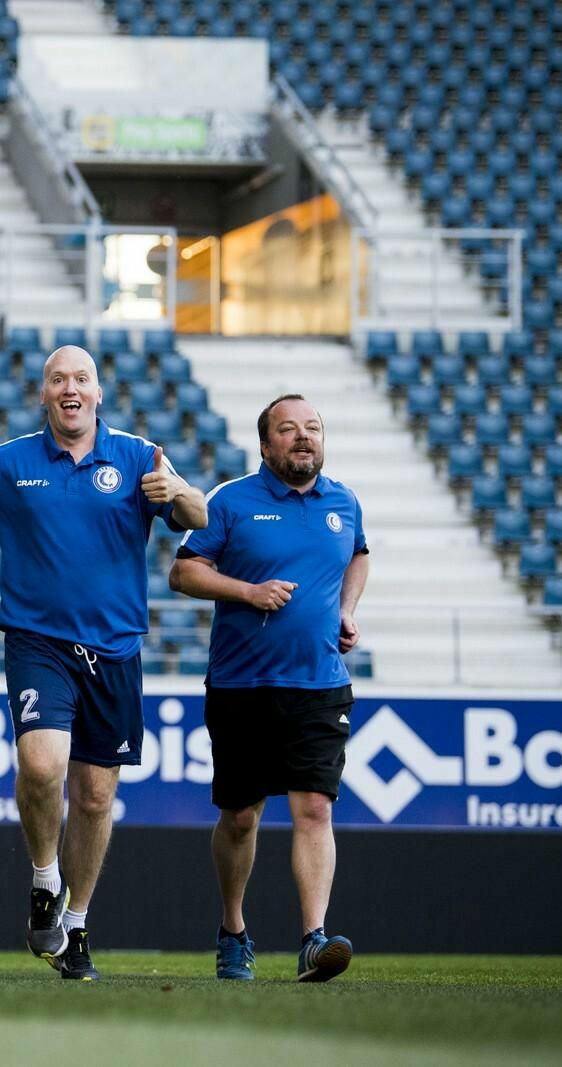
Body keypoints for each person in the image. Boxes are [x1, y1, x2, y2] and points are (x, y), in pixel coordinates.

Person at [0, 345, 206, 980]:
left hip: (117, 649)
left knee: (97, 796)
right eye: (57, 380)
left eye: (80, 379)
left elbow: (200, 517)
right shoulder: (11, 462)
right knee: (42, 764)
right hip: (37, 642)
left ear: (98, 393)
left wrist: (177, 491)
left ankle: (76, 928)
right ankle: (44, 880)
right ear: (43, 395)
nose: (69, 388)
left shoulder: (138, 456)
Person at [168, 393, 368, 983]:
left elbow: (358, 557)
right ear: (265, 444)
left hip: (321, 682)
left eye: (313, 427)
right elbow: (183, 571)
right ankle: (234, 930)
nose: (303, 437)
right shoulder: (230, 501)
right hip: (242, 685)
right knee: (241, 819)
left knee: (314, 809)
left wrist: (346, 610)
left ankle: (313, 939)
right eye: (289, 429)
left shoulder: (345, 501)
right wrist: (248, 592)